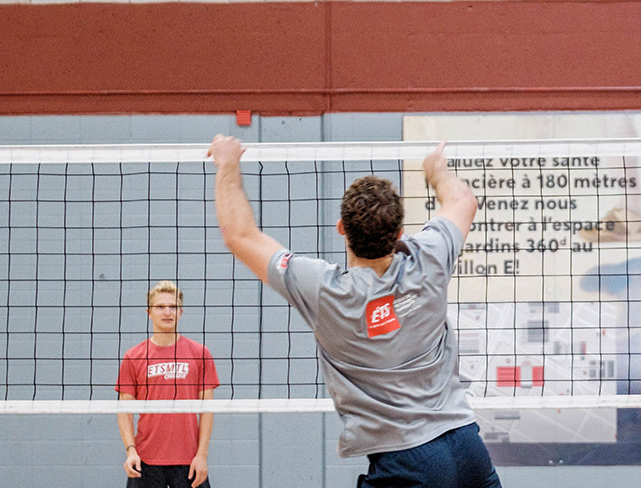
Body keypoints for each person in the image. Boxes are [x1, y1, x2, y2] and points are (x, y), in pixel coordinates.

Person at [207, 135, 502, 488]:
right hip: (467, 446)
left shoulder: (323, 291)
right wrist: (436, 171)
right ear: (399, 233)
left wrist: (227, 163)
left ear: (341, 229)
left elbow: (238, 235)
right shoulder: (430, 257)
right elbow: (463, 199)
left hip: (406, 461)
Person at [116, 280, 218, 488]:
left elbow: (207, 410)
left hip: (189, 460)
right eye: (160, 307)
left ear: (180, 312)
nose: (167, 312)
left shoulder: (200, 354)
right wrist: (130, 451)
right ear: (149, 312)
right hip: (146, 460)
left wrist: (202, 455)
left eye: (173, 306)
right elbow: (124, 409)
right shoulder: (134, 356)